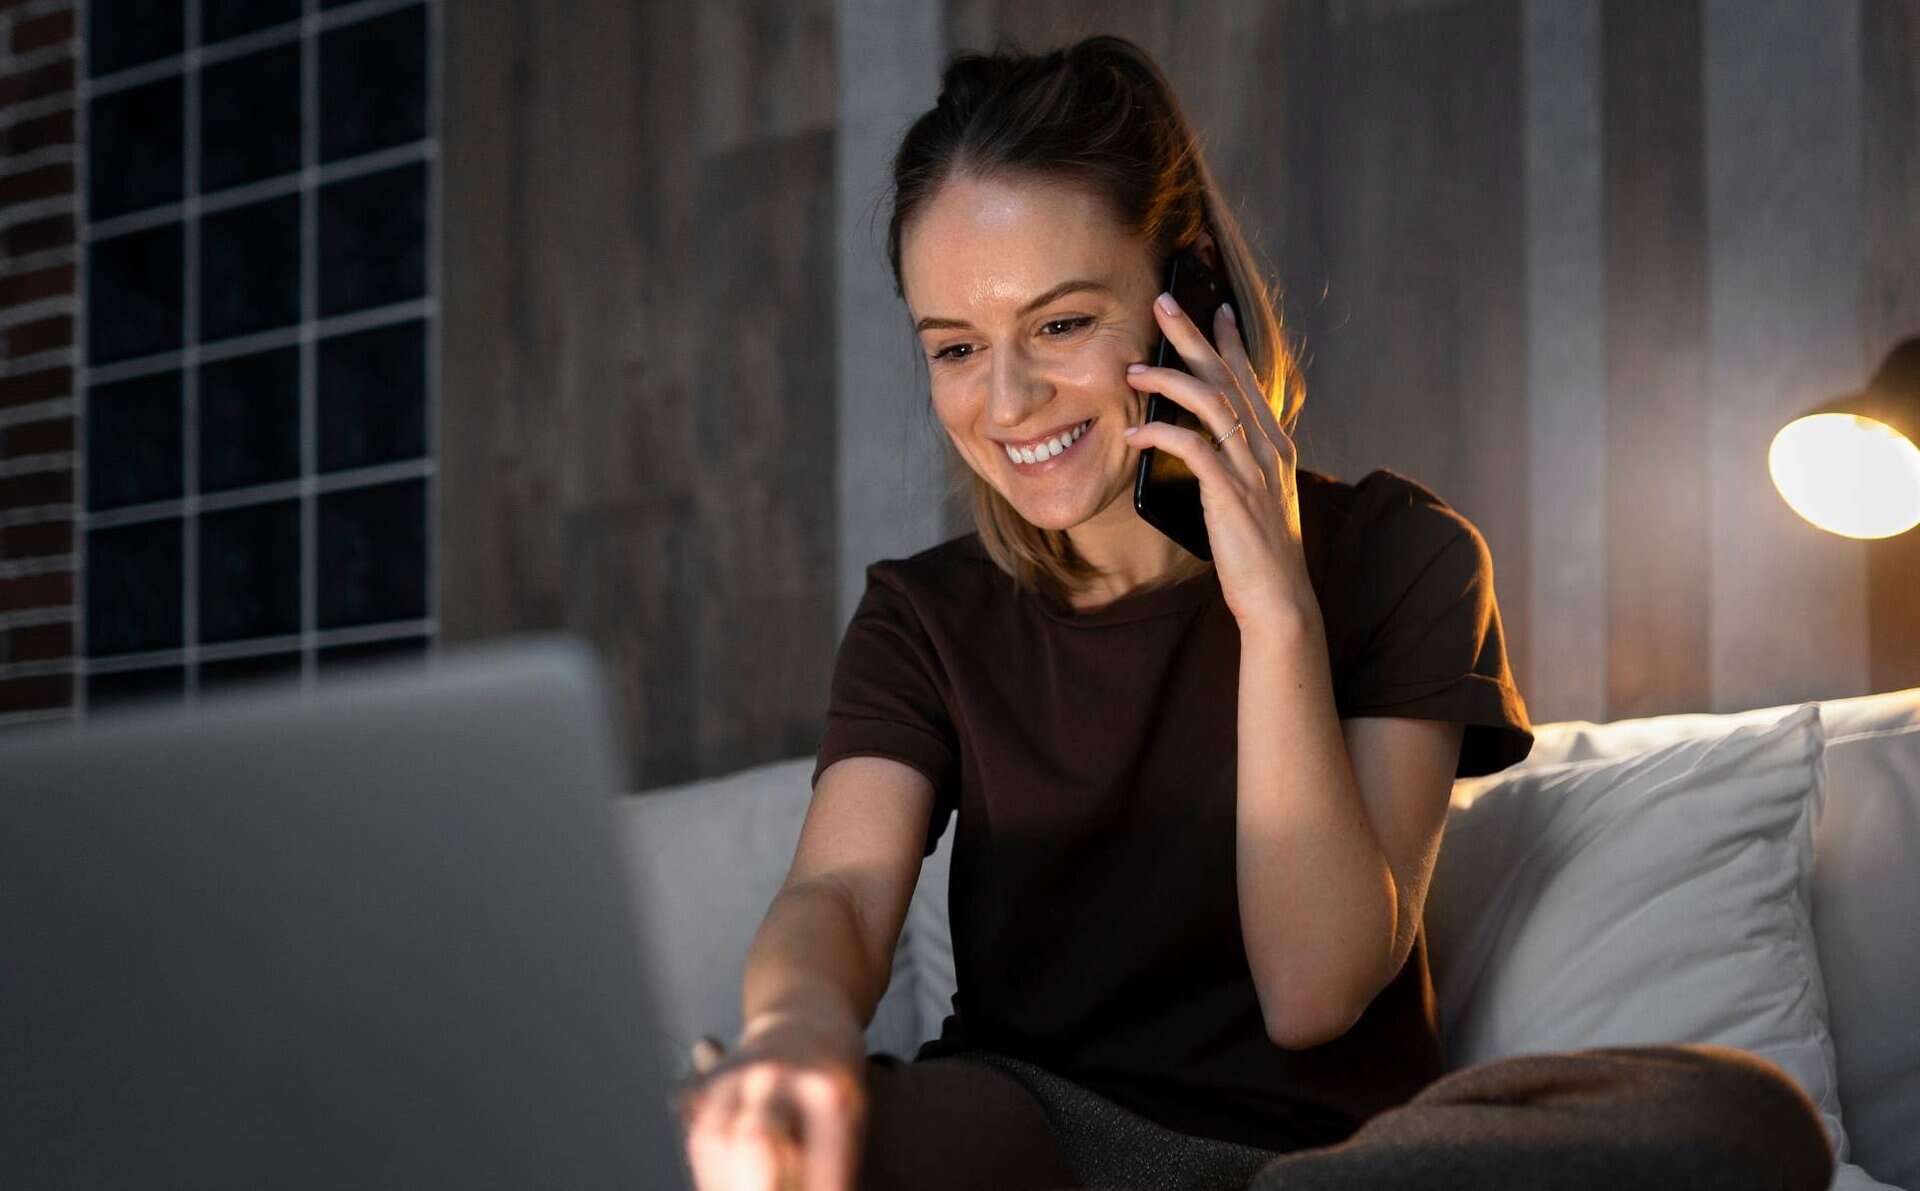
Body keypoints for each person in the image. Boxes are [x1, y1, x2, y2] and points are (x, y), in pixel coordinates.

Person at [673, 33, 1836, 1191]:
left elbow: (1313, 988)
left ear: (1190, 294)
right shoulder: (923, 618)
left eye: (1063, 324)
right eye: (957, 348)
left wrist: (1274, 606)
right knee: (782, 1154)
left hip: (1321, 1164)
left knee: (1735, 1121)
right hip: (1028, 1137)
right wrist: (792, 1039)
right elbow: (836, 892)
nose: (1008, 398)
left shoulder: (1401, 558)